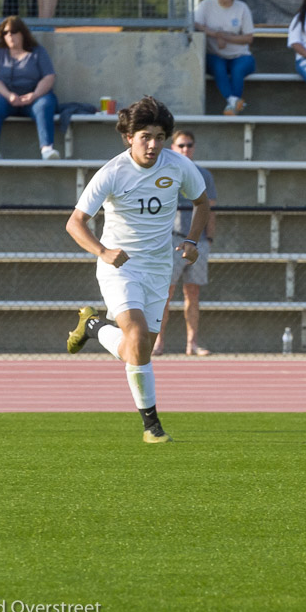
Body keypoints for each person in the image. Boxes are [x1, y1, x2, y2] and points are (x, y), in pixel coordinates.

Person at [64, 96, 210, 444]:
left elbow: (201, 202)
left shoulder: (178, 166)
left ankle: (94, 325)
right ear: (128, 136)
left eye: (160, 136)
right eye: (145, 136)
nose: (153, 144)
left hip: (159, 268)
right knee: (139, 337)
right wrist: (103, 251)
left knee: (137, 349)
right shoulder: (112, 172)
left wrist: (192, 241)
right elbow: (75, 223)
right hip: (120, 268)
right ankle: (152, 426)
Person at [153, 130, 217, 357]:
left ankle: (192, 343)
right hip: (172, 239)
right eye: (181, 145)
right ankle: (158, 343)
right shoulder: (164, 172)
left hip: (198, 241)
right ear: (173, 148)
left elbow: (210, 208)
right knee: (165, 293)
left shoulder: (203, 174)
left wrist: (208, 238)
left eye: (189, 145)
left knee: (193, 294)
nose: (185, 149)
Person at [0, 15, 58, 160]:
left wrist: (34, 95)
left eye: (14, 31)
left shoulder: (38, 52)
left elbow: (49, 77)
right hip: (5, 98)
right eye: (5, 33)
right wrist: (8, 95)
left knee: (44, 104)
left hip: (33, 97)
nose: (9, 35)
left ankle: (47, 149)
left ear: (23, 33)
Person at [193, 0, 255, 116]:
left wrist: (225, 37)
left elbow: (248, 38)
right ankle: (234, 102)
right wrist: (215, 35)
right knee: (218, 67)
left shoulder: (242, 7)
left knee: (238, 70)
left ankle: (232, 104)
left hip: (241, 55)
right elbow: (196, 24)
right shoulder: (206, 5)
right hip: (215, 55)